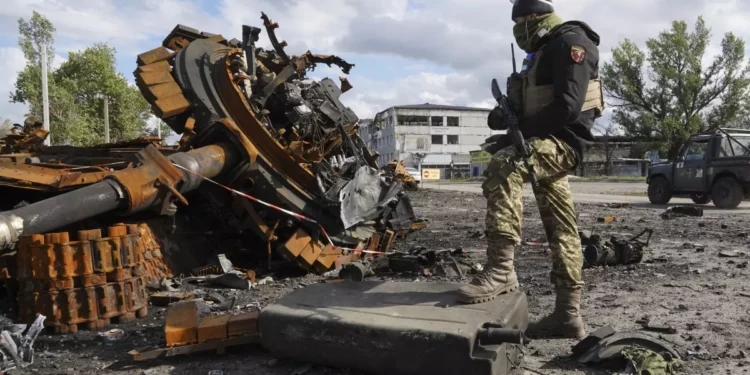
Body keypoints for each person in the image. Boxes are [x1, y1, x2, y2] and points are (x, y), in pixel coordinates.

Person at [456, 0, 604, 340]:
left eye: (522, 18)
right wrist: (504, 117)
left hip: (563, 142)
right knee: (563, 228)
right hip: (542, 141)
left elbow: (567, 106)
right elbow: (533, 103)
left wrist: (514, 135)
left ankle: (501, 270)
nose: (518, 25)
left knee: (504, 165)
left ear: (535, 17)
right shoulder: (542, 51)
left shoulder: (571, 43)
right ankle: (568, 317)